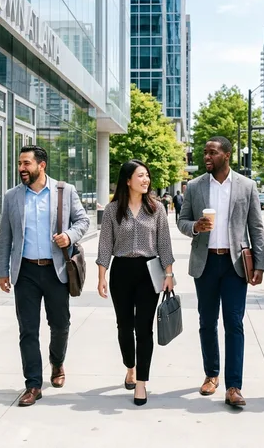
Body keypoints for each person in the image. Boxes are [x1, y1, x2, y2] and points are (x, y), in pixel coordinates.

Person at [0, 145, 90, 407]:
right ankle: (33, 384)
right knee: (27, 329)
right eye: (19, 163)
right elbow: (5, 236)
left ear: (42, 165)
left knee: (60, 324)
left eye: (26, 163)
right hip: (24, 271)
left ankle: (57, 362)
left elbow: (83, 221)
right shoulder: (12, 196)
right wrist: (2, 271)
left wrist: (68, 236)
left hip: (56, 269)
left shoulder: (64, 191)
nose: (21, 169)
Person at [178, 136, 264, 408]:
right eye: (204, 152)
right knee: (207, 322)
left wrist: (260, 263)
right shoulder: (194, 186)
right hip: (205, 263)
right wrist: (195, 227)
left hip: (234, 264)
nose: (206, 156)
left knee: (234, 324)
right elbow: (181, 221)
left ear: (226, 155)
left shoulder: (246, 186)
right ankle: (211, 374)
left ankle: (234, 386)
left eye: (212, 152)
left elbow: (256, 226)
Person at [96, 160, 175, 406]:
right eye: (140, 176)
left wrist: (169, 274)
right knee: (124, 326)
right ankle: (129, 366)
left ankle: (141, 382)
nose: (146, 180)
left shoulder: (157, 208)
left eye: (147, 176)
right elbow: (105, 244)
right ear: (128, 180)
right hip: (121, 271)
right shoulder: (112, 210)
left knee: (144, 329)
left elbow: (164, 243)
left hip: (149, 271)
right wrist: (101, 276)